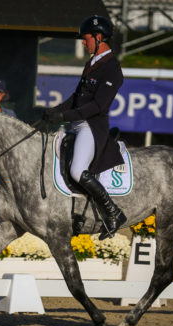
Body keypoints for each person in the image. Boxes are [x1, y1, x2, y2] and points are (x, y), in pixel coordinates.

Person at [43, 15, 126, 240]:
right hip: (77, 124)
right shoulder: (92, 63)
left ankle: (113, 212)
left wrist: (65, 116)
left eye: (86, 38)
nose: (83, 42)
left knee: (77, 171)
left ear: (99, 37)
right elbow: (77, 97)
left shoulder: (112, 68)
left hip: (92, 127)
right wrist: (55, 111)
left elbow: (98, 105)